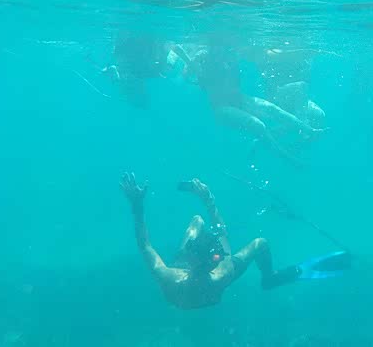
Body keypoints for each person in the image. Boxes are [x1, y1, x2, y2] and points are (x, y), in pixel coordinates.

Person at [120, 173, 350, 309]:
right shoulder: (221, 272)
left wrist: (137, 205)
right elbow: (222, 235)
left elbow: (144, 244)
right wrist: (208, 198)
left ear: (192, 258)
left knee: (197, 222)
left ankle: (204, 225)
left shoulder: (170, 278)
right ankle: (269, 278)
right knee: (260, 242)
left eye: (191, 247)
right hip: (212, 281)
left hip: (196, 287)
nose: (190, 246)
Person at [173, 43, 325, 167]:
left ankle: (309, 130)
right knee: (258, 125)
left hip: (239, 98)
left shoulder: (230, 53)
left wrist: (299, 53)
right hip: (220, 107)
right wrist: (190, 62)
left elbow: (261, 54)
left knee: (273, 109)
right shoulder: (202, 58)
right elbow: (188, 76)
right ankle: (288, 158)